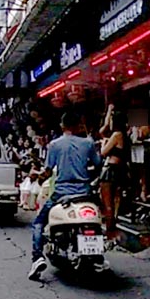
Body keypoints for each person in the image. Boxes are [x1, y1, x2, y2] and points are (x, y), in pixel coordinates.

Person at [28, 110, 102, 281]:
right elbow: (98, 164)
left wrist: (38, 177)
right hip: (85, 193)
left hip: (61, 193)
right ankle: (98, 256)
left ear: (62, 126)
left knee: (38, 223)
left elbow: (47, 171)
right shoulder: (88, 143)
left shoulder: (55, 145)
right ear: (78, 126)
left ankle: (37, 257)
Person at [98, 104, 127, 243]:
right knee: (114, 203)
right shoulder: (124, 134)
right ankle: (112, 231)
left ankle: (110, 232)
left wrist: (103, 144)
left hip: (110, 170)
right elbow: (103, 130)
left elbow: (103, 152)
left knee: (108, 204)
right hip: (119, 169)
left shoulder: (116, 135)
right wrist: (109, 111)